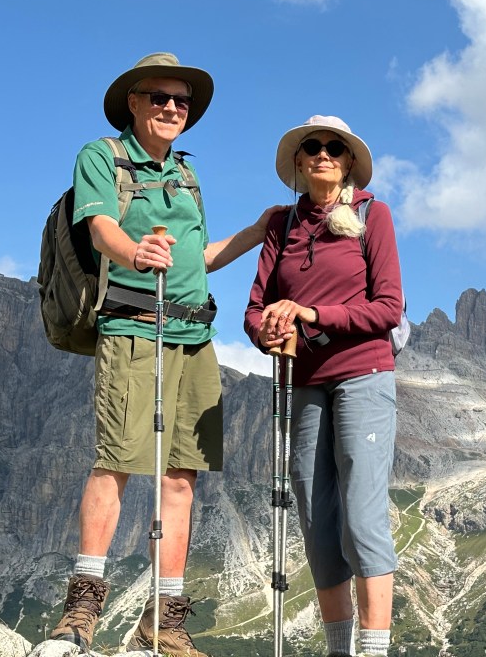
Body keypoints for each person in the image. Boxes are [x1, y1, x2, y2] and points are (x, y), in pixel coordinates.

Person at [49, 52, 283, 657]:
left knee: (181, 476)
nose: (174, 109)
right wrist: (135, 252)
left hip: (193, 337)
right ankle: (80, 614)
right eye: (160, 98)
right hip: (132, 328)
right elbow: (101, 227)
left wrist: (258, 230)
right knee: (116, 462)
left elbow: (199, 260)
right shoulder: (102, 156)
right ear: (133, 102)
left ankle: (165, 620)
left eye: (181, 102)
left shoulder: (187, 175)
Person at [244, 115, 403, 657]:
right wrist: (266, 330)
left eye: (335, 147)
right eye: (312, 146)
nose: (323, 153)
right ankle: (340, 649)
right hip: (305, 381)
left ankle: (373, 649)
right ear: (298, 159)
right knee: (316, 516)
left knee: (361, 515)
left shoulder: (372, 215)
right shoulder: (282, 226)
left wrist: (309, 312)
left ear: (350, 161)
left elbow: (388, 308)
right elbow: (254, 307)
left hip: (365, 374)